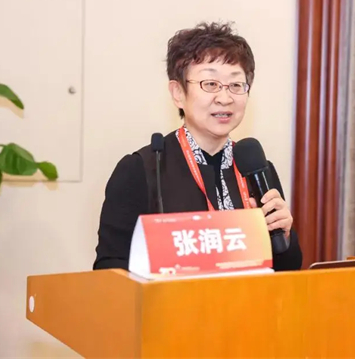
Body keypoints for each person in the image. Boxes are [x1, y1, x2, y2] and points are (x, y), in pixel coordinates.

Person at [93, 22, 303, 271]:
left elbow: (285, 271)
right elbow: (109, 270)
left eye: (236, 85)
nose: (225, 98)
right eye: (210, 84)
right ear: (178, 93)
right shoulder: (142, 169)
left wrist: (285, 236)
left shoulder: (257, 169)